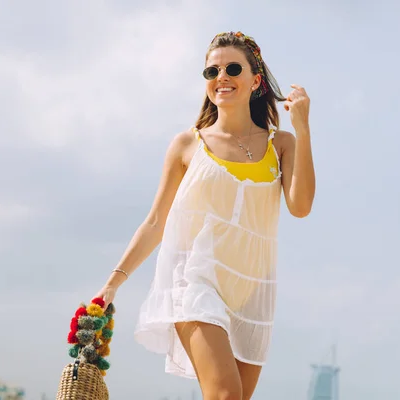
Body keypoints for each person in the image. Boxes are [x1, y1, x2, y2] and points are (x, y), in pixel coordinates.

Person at [93, 31, 316, 400]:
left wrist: (303, 127)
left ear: (256, 80)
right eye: (211, 72)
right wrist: (112, 283)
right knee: (226, 395)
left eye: (232, 68)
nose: (221, 78)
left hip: (251, 292)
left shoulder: (282, 144)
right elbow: (155, 221)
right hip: (195, 283)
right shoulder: (187, 144)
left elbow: (301, 206)